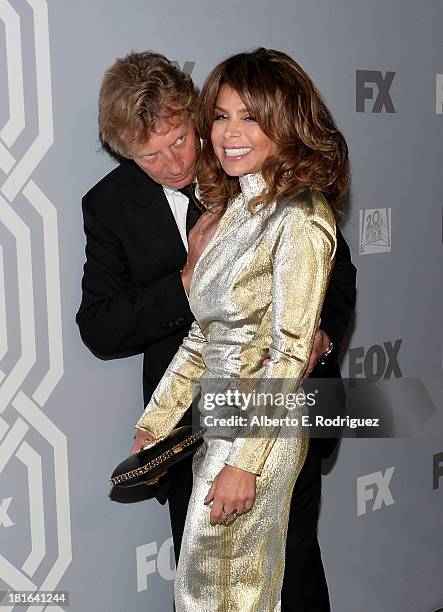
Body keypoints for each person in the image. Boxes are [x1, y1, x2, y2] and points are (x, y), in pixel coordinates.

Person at [76, 51, 356, 611]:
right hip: (191, 427)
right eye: (148, 156)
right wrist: (184, 281)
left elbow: (335, 272)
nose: (173, 163)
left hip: (277, 417)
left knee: (289, 571)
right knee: (208, 586)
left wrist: (313, 333)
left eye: (180, 139)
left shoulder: (252, 171)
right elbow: (103, 326)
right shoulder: (108, 206)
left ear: (193, 117)